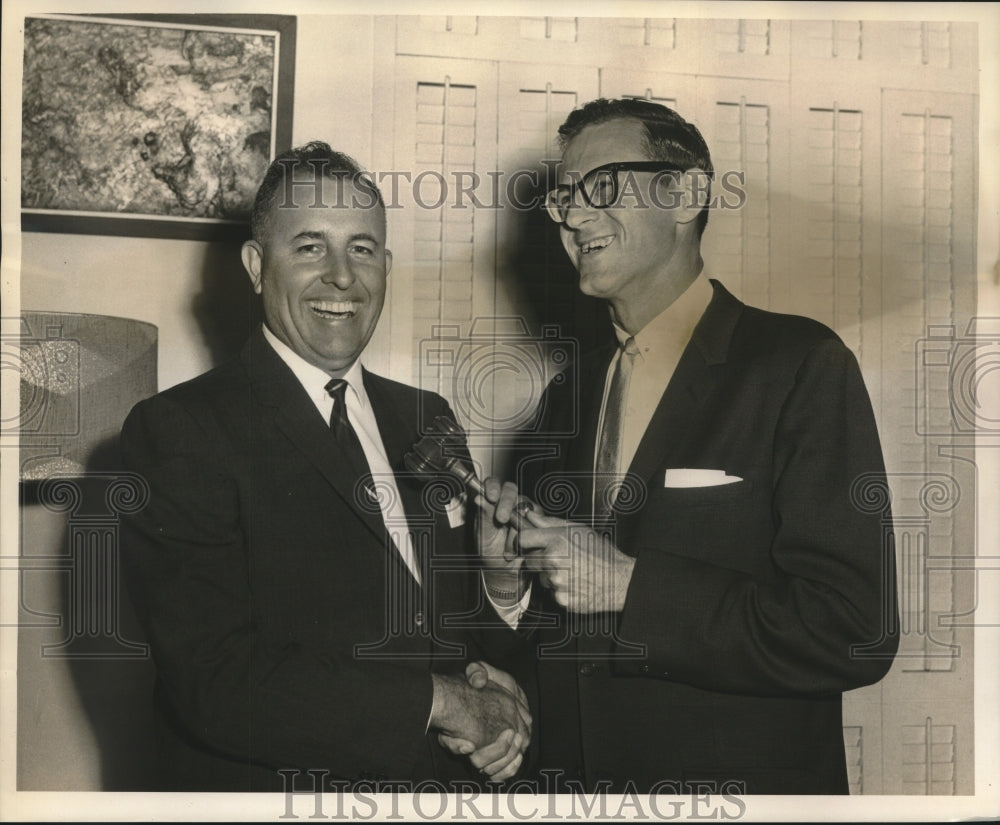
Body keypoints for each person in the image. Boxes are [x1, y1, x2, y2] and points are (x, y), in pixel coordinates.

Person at [476, 98, 899, 794]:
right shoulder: (564, 399)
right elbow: (556, 647)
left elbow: (854, 630)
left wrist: (631, 585)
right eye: (564, 197)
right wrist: (504, 591)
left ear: (687, 193)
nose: (574, 217)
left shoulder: (799, 365)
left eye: (602, 186)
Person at [119, 142, 530, 791]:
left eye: (363, 248)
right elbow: (215, 682)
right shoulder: (178, 429)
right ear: (257, 265)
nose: (343, 276)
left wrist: (502, 592)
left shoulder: (428, 416)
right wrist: (446, 703)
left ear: (386, 267)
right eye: (310, 246)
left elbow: (450, 638)